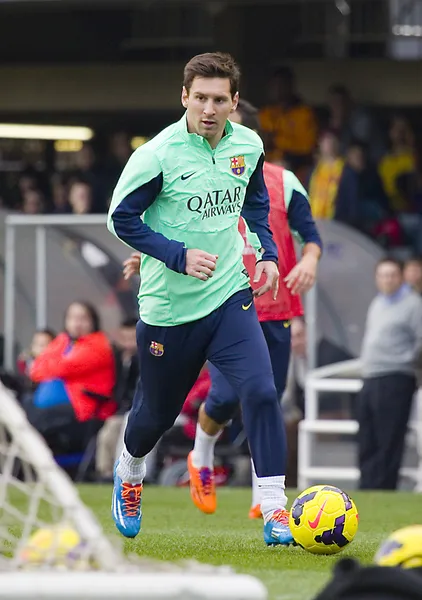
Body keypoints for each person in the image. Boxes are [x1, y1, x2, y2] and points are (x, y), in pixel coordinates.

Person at [107, 52, 296, 546]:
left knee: (260, 391)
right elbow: (120, 220)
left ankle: (276, 509)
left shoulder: (248, 145)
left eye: (219, 100)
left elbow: (256, 202)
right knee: (155, 417)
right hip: (169, 311)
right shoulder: (157, 154)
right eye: (200, 99)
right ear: (185, 97)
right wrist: (176, 255)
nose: (209, 109)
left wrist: (268, 254)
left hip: (230, 296)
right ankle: (129, 472)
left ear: (234, 102)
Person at [187, 98, 321, 519]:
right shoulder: (199, 179)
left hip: (277, 307)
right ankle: (201, 453)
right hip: (227, 303)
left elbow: (310, 234)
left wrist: (310, 260)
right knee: (226, 396)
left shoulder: (284, 182)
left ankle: (265, 497)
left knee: (268, 399)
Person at [358, 258, 422, 490]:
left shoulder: (413, 304)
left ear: (401, 276)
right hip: (371, 375)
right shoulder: (378, 303)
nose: (387, 279)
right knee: (368, 436)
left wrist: (405, 362)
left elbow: (420, 341)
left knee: (389, 437)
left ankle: (384, 487)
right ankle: (367, 485)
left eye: (392, 275)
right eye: (383, 275)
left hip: (396, 376)